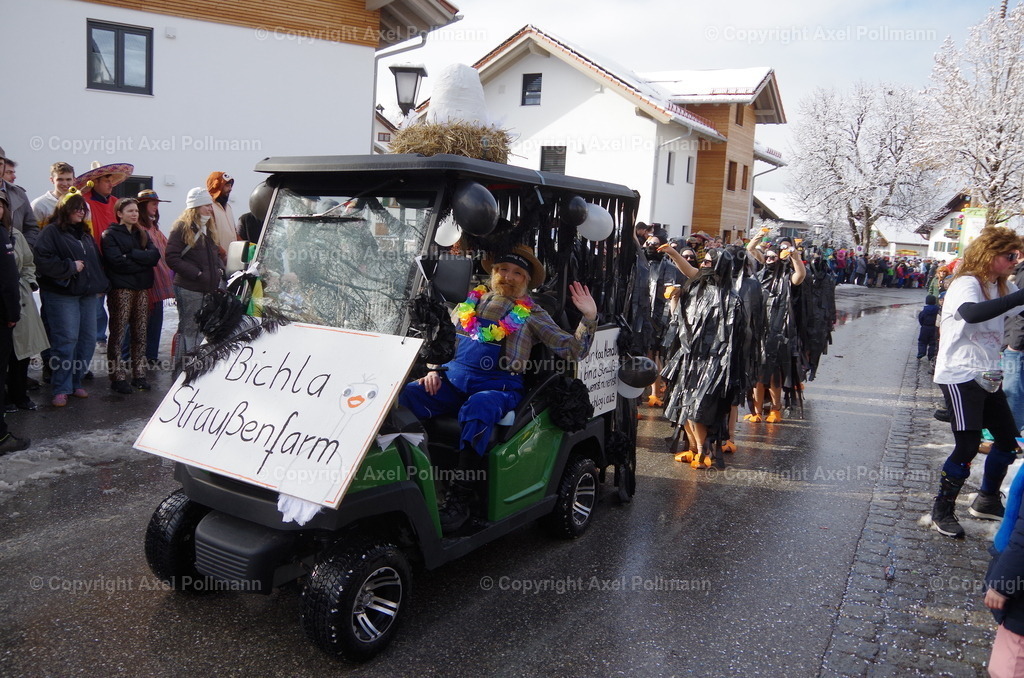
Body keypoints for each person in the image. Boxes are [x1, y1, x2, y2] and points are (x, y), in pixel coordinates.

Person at [398, 244, 598, 533]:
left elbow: (573, 350)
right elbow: (445, 344)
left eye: (518, 273)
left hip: (499, 387)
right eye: (503, 269)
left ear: (526, 281)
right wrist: (433, 370)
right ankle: (416, 480)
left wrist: (588, 318)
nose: (509, 276)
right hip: (453, 381)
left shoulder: (532, 313)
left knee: (479, 406)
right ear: (493, 273)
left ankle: (460, 500)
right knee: (408, 395)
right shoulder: (470, 303)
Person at [929, 227, 1024, 539]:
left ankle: (985, 500)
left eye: (1018, 255)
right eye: (1010, 255)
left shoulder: (1001, 285)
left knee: (1008, 442)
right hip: (960, 373)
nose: (1016, 260)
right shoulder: (967, 283)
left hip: (989, 372)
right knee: (968, 444)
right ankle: (942, 510)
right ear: (990, 255)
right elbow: (970, 314)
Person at [32, 188, 109, 407]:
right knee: (66, 341)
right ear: (64, 209)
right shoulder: (51, 232)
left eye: (83, 209)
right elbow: (42, 260)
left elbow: (94, 262)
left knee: (86, 341)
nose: (81, 212)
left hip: (87, 295)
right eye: (76, 208)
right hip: (62, 294)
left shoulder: (84, 234)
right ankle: (61, 387)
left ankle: (76, 382)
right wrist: (69, 267)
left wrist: (101, 283)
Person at [101, 197, 160, 394]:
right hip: (121, 289)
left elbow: (154, 256)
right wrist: (141, 260)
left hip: (142, 288)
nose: (134, 214)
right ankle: (117, 377)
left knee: (140, 332)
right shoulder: (109, 234)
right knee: (118, 333)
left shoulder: (142, 233)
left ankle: (139, 375)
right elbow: (116, 262)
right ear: (119, 213)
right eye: (129, 211)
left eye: (136, 211)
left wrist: (132, 254)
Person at [73, 161, 134, 350]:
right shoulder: (85, 202)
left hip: (116, 259)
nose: (110, 184)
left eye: (111, 180)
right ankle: (99, 337)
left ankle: (118, 342)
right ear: (95, 182)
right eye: (106, 180)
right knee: (96, 303)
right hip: (94, 258)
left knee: (118, 303)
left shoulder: (116, 203)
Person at [165, 187, 224, 376]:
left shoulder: (207, 227)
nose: (210, 208)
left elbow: (214, 254)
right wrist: (198, 274)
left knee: (200, 331)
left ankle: (193, 369)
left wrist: (219, 268)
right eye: (206, 205)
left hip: (206, 287)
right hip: (189, 287)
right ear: (196, 206)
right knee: (188, 330)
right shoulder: (182, 227)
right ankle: (181, 373)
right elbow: (172, 257)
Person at [4, 195, 48, 413]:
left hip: (20, 299)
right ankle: (5, 399)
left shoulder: (16, 235)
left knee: (21, 353)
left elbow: (29, 263)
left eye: (2, 206)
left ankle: (19, 395)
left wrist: (29, 281)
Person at [128, 189, 174, 366]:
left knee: (156, 320)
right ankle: (135, 357)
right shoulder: (138, 229)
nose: (156, 207)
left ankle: (151, 355)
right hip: (145, 281)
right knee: (140, 322)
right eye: (153, 203)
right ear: (142, 206)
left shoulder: (154, 227)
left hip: (158, 281)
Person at [0, 194, 31, 452]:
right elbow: (8, 281)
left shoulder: (10, 234)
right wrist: (12, 314)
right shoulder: (3, 236)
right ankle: (1, 438)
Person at [0, 148, 40, 246]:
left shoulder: (19, 194)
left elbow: (31, 228)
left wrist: (23, 250)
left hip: (15, 258)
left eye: (0, 164)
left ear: (4, 165)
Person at [1003, 259, 1024, 434]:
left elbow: (1022, 313)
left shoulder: (1022, 273)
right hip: (1012, 340)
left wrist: (1014, 344)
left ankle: (1011, 438)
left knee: (1012, 392)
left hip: (1016, 345)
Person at [207, 171, 239, 248]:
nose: (230, 189)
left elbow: (234, 232)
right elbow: (208, 237)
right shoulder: (208, 208)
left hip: (231, 256)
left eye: (231, 186)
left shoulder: (228, 207)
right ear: (217, 186)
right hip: (217, 258)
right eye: (227, 185)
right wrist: (220, 252)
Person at [917, 294, 940, 361]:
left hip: (925, 328)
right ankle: (931, 355)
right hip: (934, 328)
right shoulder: (937, 310)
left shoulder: (924, 311)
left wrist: (923, 325)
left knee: (922, 341)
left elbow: (920, 318)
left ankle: (921, 352)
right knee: (932, 343)